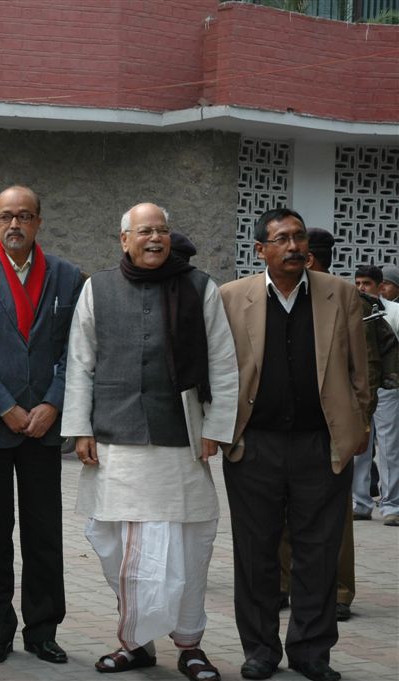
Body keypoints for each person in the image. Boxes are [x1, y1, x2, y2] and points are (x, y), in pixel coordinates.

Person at [62, 203, 238, 680]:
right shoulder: (96, 288)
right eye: (144, 231)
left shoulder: (200, 287)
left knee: (185, 546)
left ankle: (190, 644)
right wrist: (79, 428)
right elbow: (80, 362)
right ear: (125, 239)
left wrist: (215, 428)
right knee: (112, 543)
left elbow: (222, 362)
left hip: (181, 438)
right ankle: (135, 642)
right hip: (114, 442)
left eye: (161, 230)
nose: (155, 238)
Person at [219, 208, 370, 681]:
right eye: (281, 239)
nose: (294, 247)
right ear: (261, 249)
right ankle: (260, 649)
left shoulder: (341, 295)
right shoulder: (231, 297)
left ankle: (310, 651)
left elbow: (359, 375)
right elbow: (220, 373)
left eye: (299, 237)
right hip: (254, 447)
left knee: (319, 552)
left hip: (320, 447)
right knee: (255, 552)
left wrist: (354, 428)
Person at [0, 185, 83, 666]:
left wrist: (53, 403)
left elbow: (76, 349)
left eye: (24, 216)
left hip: (44, 425)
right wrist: (4, 407)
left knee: (43, 530)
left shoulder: (68, 277)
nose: (14, 225)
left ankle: (43, 628)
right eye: (5, 216)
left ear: (39, 222)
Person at [278, 231, 383, 624]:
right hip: (284, 426)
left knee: (334, 518)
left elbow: (365, 368)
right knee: (283, 512)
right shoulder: (277, 297)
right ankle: (285, 584)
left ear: (310, 260)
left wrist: (360, 423)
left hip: (331, 428)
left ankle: (338, 591)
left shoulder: (343, 298)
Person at [352, 265, 399, 527]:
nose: (361, 289)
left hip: (388, 391)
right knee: (360, 447)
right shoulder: (352, 311)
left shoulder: (393, 312)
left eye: (367, 284)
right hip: (360, 388)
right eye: (357, 283)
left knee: (390, 448)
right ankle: (360, 503)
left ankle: (392, 505)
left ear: (380, 287)